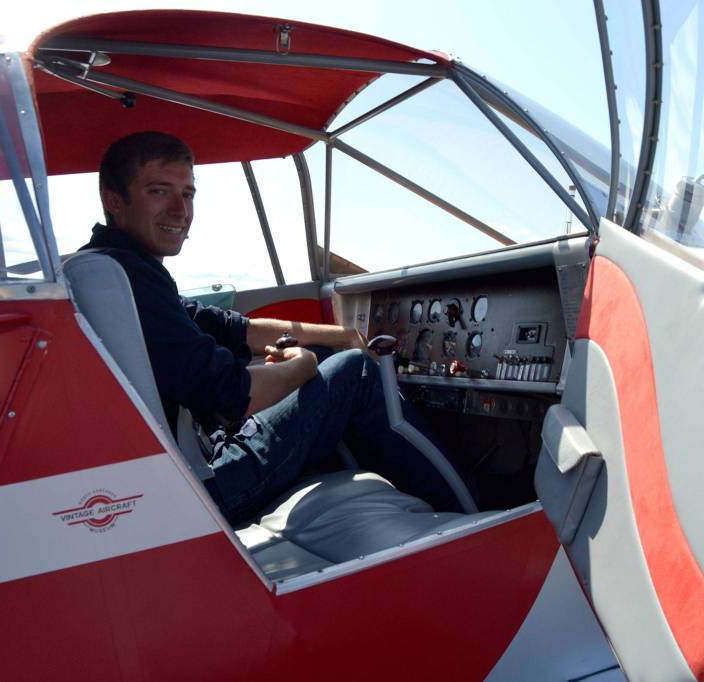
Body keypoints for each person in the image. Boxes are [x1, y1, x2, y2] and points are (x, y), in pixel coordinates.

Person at [80, 131, 461, 526]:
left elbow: (234, 329)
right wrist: (305, 362)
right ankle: (468, 516)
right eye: (160, 191)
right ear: (115, 201)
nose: (181, 209)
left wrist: (341, 335)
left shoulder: (111, 269)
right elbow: (235, 394)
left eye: (188, 194)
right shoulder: (129, 280)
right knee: (355, 372)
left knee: (338, 356)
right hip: (199, 491)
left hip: (168, 478)